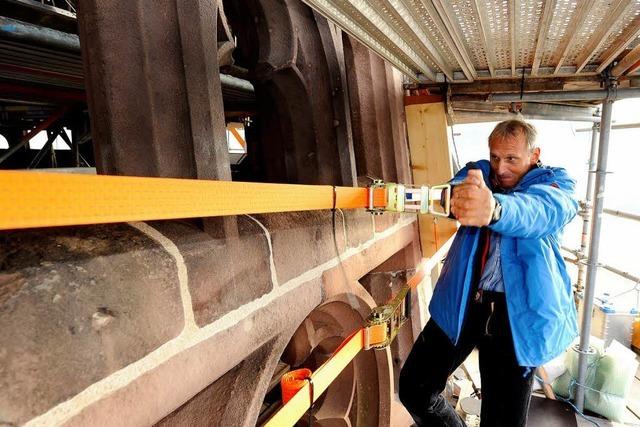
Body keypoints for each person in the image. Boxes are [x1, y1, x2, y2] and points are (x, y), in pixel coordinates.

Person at [399, 119, 579, 427]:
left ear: (534, 155)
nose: (501, 168)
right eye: (495, 157)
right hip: (463, 303)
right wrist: (459, 196)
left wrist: (495, 209)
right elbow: (456, 190)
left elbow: (542, 210)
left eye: (512, 158)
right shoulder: (479, 173)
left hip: (515, 318)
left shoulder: (555, 183)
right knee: (414, 388)